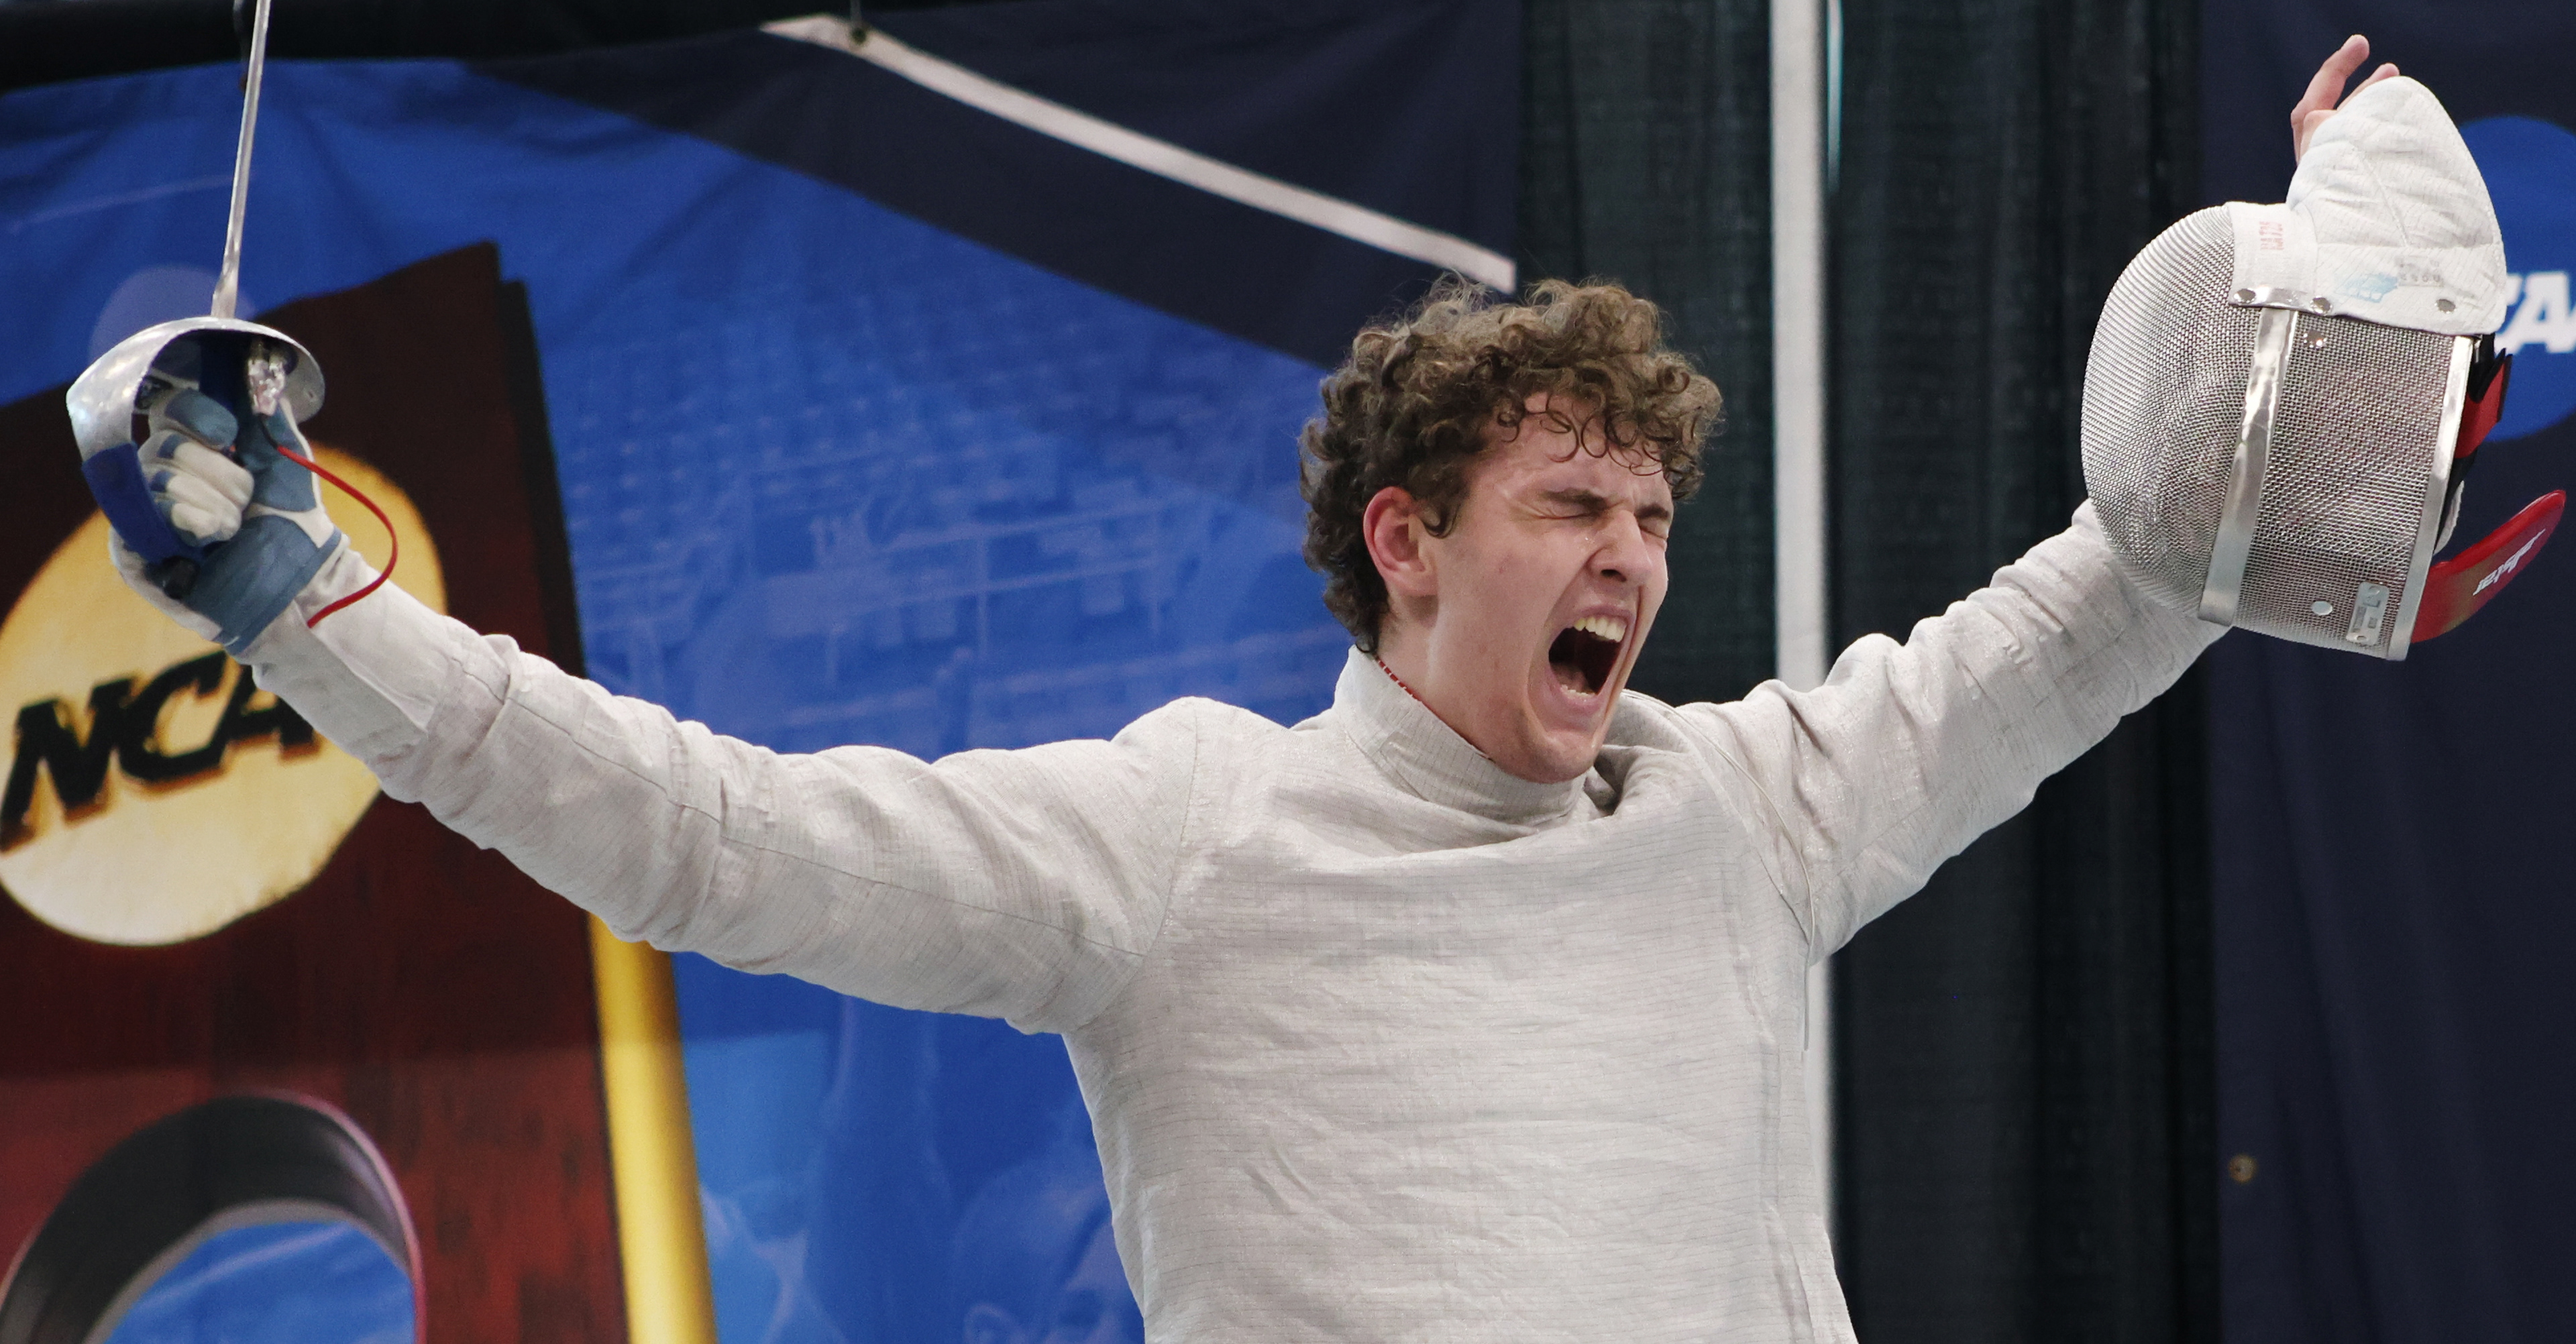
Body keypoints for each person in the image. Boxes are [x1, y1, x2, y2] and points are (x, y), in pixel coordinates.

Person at [95, 38, 2402, 1343]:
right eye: (1573, 508)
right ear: (1404, 541)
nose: (1635, 558)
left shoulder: (1746, 805)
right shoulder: (1181, 838)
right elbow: (716, 841)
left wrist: (2308, 327)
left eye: (1655, 524)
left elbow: (2104, 600)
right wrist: (318, 607)